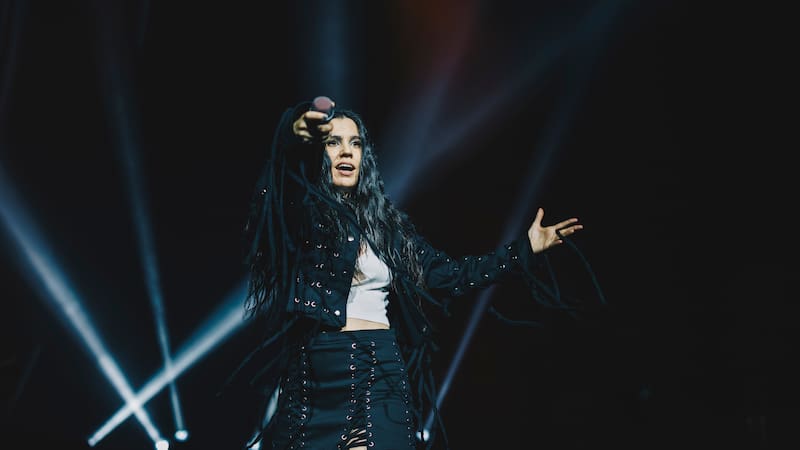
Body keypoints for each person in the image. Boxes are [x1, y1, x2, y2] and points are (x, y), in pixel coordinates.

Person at [225, 96, 600, 450]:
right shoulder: (300, 218)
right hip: (314, 377)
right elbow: (276, 190)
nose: (346, 152)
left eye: (355, 144)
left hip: (378, 372)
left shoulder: (389, 229)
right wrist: (293, 135)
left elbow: (450, 275)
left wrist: (524, 250)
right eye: (333, 142)